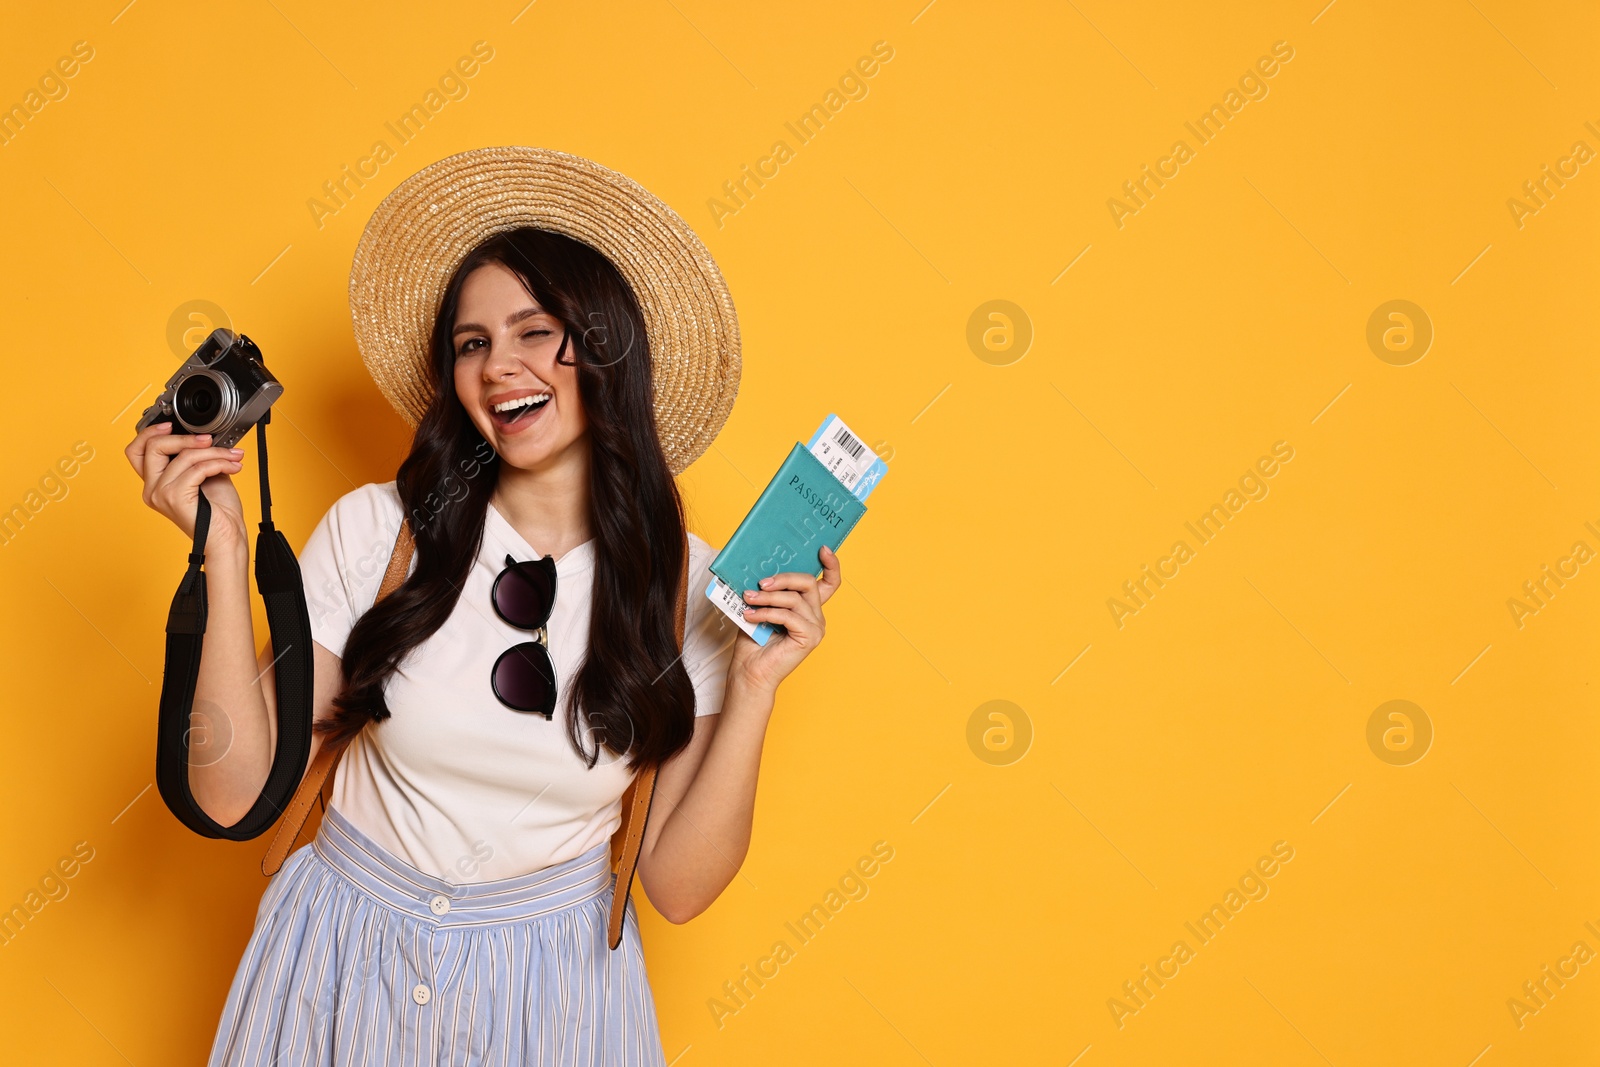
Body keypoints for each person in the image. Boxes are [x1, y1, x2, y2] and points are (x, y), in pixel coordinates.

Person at [123, 147, 841, 1066]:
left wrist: (755, 686)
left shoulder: (689, 589)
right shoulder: (380, 534)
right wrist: (221, 551)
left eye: (535, 332)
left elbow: (678, 886)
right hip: (335, 962)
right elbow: (229, 796)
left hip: (555, 996)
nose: (500, 365)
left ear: (606, 351)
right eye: (472, 343)